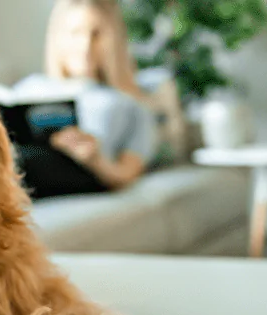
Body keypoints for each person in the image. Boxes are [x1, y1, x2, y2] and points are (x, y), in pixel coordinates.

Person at [13, 0, 158, 198]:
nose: (85, 45)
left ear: (113, 40)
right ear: (58, 38)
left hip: (80, 170)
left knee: (17, 163)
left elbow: (127, 173)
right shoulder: (30, 86)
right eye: (75, 33)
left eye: (96, 34)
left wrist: (95, 160)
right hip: (15, 160)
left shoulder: (129, 104)